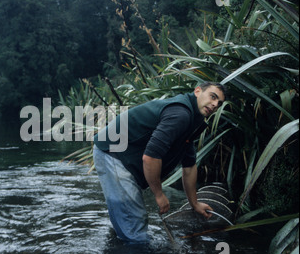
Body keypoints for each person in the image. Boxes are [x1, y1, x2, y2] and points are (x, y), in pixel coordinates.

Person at [93, 82, 227, 243]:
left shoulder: (193, 120)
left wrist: (195, 203)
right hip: (112, 153)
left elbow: (189, 166)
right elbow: (150, 157)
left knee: (126, 221)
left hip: (122, 154)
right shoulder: (181, 114)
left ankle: (119, 249)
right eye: (213, 97)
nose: (214, 104)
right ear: (197, 91)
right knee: (136, 227)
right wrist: (159, 194)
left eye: (219, 103)